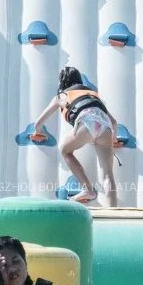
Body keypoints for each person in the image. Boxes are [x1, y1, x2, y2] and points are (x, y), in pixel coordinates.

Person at [32, 66, 118, 206]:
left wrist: (38, 132)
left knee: (65, 150)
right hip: (105, 129)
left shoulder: (62, 96)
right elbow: (114, 123)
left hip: (87, 124)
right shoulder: (92, 94)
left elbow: (38, 123)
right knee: (108, 175)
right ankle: (113, 212)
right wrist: (113, 140)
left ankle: (88, 189)